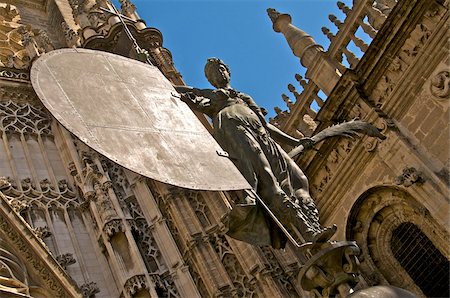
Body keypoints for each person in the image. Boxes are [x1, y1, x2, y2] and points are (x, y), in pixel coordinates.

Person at [175, 58, 335, 248]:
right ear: (210, 80)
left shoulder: (243, 97)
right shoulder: (211, 97)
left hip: (261, 134)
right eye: (213, 72)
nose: (219, 73)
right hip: (234, 130)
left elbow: (265, 125)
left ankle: (314, 227)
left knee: (298, 179)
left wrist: (295, 141)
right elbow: (186, 92)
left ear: (228, 71)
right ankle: (307, 231)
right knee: (267, 178)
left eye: (221, 68)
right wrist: (158, 77)